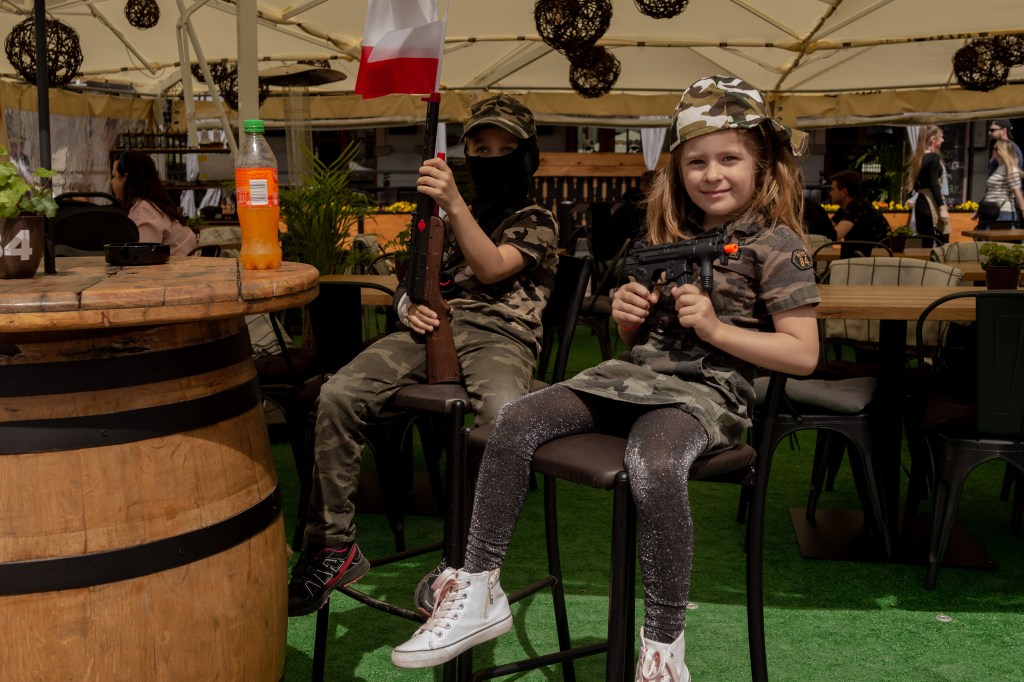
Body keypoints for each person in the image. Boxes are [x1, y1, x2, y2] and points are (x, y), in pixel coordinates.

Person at [391, 75, 821, 680]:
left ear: (764, 165)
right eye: (696, 161)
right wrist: (627, 318)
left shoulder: (778, 246)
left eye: (729, 158)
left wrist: (719, 331)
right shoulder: (670, 237)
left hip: (706, 393)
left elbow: (802, 355)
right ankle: (479, 585)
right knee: (516, 419)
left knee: (654, 462)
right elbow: (638, 345)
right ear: (677, 170)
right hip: (628, 379)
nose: (712, 174)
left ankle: (662, 648)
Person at [286, 94, 559, 617]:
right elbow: (411, 276)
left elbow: (491, 268)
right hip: (433, 329)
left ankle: (470, 559)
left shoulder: (536, 217)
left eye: (505, 149)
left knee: (503, 418)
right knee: (337, 395)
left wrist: (453, 206)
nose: (492, 157)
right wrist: (408, 304)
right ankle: (336, 545)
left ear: (527, 156)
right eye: (481, 147)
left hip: (501, 335)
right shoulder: (447, 214)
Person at [110, 151, 197, 255]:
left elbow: (144, 255)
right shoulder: (153, 203)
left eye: (114, 176)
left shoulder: (143, 210)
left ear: (125, 177)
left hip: (178, 268)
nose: (112, 182)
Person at [829, 170, 890, 257]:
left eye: (833, 189)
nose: (830, 193)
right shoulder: (845, 208)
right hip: (864, 259)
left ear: (844, 192)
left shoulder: (858, 206)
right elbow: (828, 227)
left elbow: (837, 234)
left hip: (875, 261)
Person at [906, 125, 948, 242]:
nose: (943, 140)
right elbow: (934, 184)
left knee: (925, 242)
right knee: (943, 242)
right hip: (931, 202)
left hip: (920, 203)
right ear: (933, 140)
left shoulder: (917, 158)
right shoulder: (934, 157)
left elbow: (915, 185)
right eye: (941, 137)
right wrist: (942, 207)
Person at [976, 139, 1024, 227]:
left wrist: (1023, 210)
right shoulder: (999, 168)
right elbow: (991, 192)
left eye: (994, 148)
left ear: (1000, 151)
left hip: (1003, 213)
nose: (992, 150)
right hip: (992, 212)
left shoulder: (1010, 170)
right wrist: (979, 211)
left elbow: (1017, 192)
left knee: (998, 240)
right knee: (988, 240)